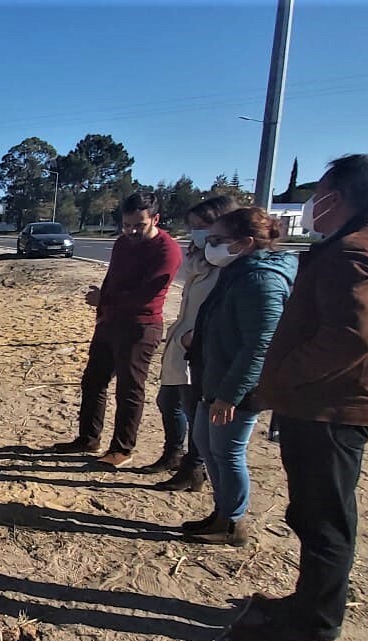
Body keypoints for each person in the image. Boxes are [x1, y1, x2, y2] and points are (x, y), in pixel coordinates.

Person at [229, 155, 368, 641]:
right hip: (337, 404)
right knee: (321, 516)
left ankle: (314, 626)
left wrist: (280, 377)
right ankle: (309, 604)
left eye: (318, 194)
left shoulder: (354, 253)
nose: (312, 203)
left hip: (330, 409)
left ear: (335, 198)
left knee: (323, 521)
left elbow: (351, 336)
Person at [177, 207, 296, 546]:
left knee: (227, 453)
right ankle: (222, 511)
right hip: (214, 379)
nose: (210, 246)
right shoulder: (237, 272)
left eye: (217, 240)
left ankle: (232, 522)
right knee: (206, 444)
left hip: (236, 389)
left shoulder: (261, 280)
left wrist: (230, 395)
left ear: (244, 242)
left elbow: (259, 345)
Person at [53, 193, 182, 468]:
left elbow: (147, 294)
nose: (131, 231)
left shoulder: (167, 250)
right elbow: (111, 279)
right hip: (109, 323)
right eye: (126, 225)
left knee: (129, 389)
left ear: (155, 219)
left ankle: (122, 448)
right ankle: (88, 439)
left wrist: (105, 300)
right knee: (93, 381)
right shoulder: (122, 243)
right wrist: (102, 312)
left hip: (140, 327)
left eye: (139, 225)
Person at [146, 195, 239, 491]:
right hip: (183, 342)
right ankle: (173, 454)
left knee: (194, 411)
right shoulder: (201, 261)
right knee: (167, 401)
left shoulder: (229, 266)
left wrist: (197, 339)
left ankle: (194, 468)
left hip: (201, 350)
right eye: (194, 226)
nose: (197, 233)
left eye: (203, 226)